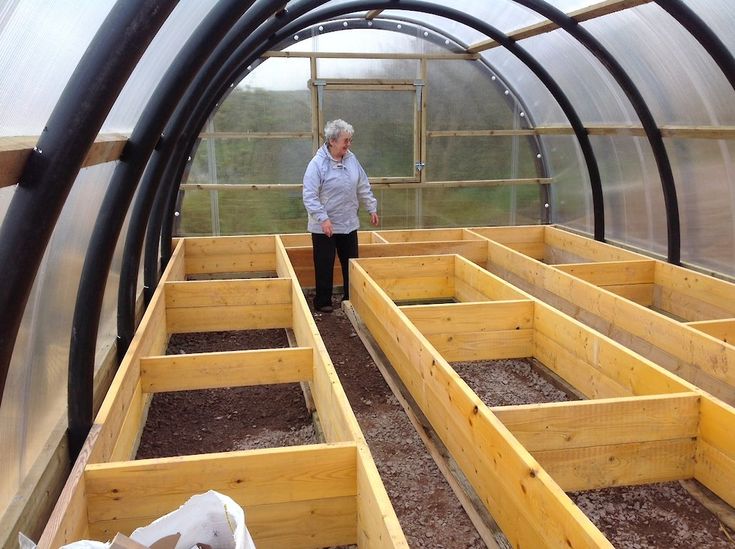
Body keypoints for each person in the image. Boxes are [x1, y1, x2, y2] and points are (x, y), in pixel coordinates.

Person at [302, 119, 379, 313]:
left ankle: (350, 297)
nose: (349, 144)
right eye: (346, 140)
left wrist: (371, 208)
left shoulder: (351, 159)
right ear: (333, 141)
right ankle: (323, 301)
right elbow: (309, 195)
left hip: (348, 222)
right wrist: (323, 218)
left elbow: (362, 184)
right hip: (324, 225)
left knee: (351, 263)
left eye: (350, 140)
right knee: (324, 263)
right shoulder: (317, 164)